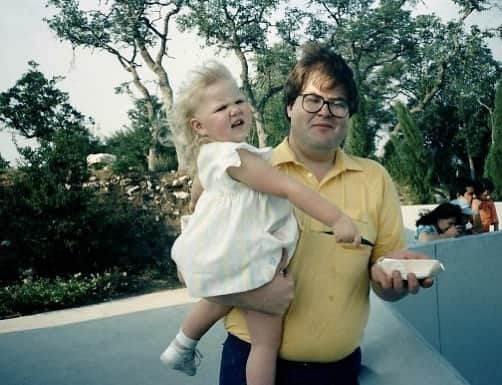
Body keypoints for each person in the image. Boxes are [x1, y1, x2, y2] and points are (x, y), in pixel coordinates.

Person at [213, 43, 435, 385]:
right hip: (248, 362)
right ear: (290, 107)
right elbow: (197, 269)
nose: (326, 111)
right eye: (313, 99)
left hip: (338, 371)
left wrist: (395, 281)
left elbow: (382, 276)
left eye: (338, 103)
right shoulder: (249, 170)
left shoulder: (374, 178)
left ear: (348, 114)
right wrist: (247, 296)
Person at [160, 62, 361, 385]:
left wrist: (200, 215)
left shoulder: (209, 157)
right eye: (221, 107)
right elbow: (288, 188)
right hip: (250, 257)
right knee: (265, 344)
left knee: (217, 299)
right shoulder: (241, 157)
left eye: (238, 101)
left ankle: (182, 343)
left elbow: (198, 192)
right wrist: (337, 218)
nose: (234, 110)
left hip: (224, 252)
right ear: (199, 126)